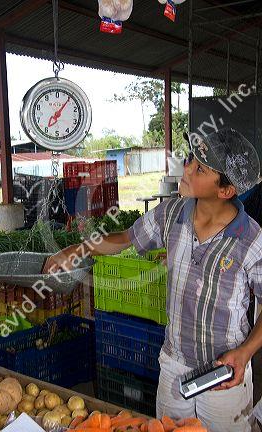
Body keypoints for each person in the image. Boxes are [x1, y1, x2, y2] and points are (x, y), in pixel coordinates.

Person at [43, 128, 262, 432]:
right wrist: (77, 249)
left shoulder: (251, 240)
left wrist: (245, 351)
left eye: (199, 168)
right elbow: (125, 238)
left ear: (225, 191)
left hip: (223, 374)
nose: (185, 169)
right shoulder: (171, 213)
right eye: (190, 159)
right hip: (174, 365)